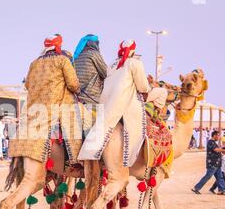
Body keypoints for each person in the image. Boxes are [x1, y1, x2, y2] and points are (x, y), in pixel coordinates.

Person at [8, 34, 82, 166]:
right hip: (57, 105)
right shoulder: (62, 60)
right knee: (75, 125)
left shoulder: (34, 62)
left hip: (34, 108)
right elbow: (72, 83)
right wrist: (78, 90)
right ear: (59, 45)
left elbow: (27, 84)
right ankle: (76, 161)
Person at [79, 40, 151, 167]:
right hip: (124, 101)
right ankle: (132, 159)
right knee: (136, 127)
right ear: (133, 50)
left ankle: (87, 153)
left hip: (105, 101)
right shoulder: (134, 63)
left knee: (102, 126)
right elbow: (143, 86)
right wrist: (148, 90)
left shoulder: (112, 64)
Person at [73, 34, 108, 105]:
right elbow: (106, 73)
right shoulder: (94, 54)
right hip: (91, 98)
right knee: (95, 116)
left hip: (77, 99)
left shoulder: (76, 57)